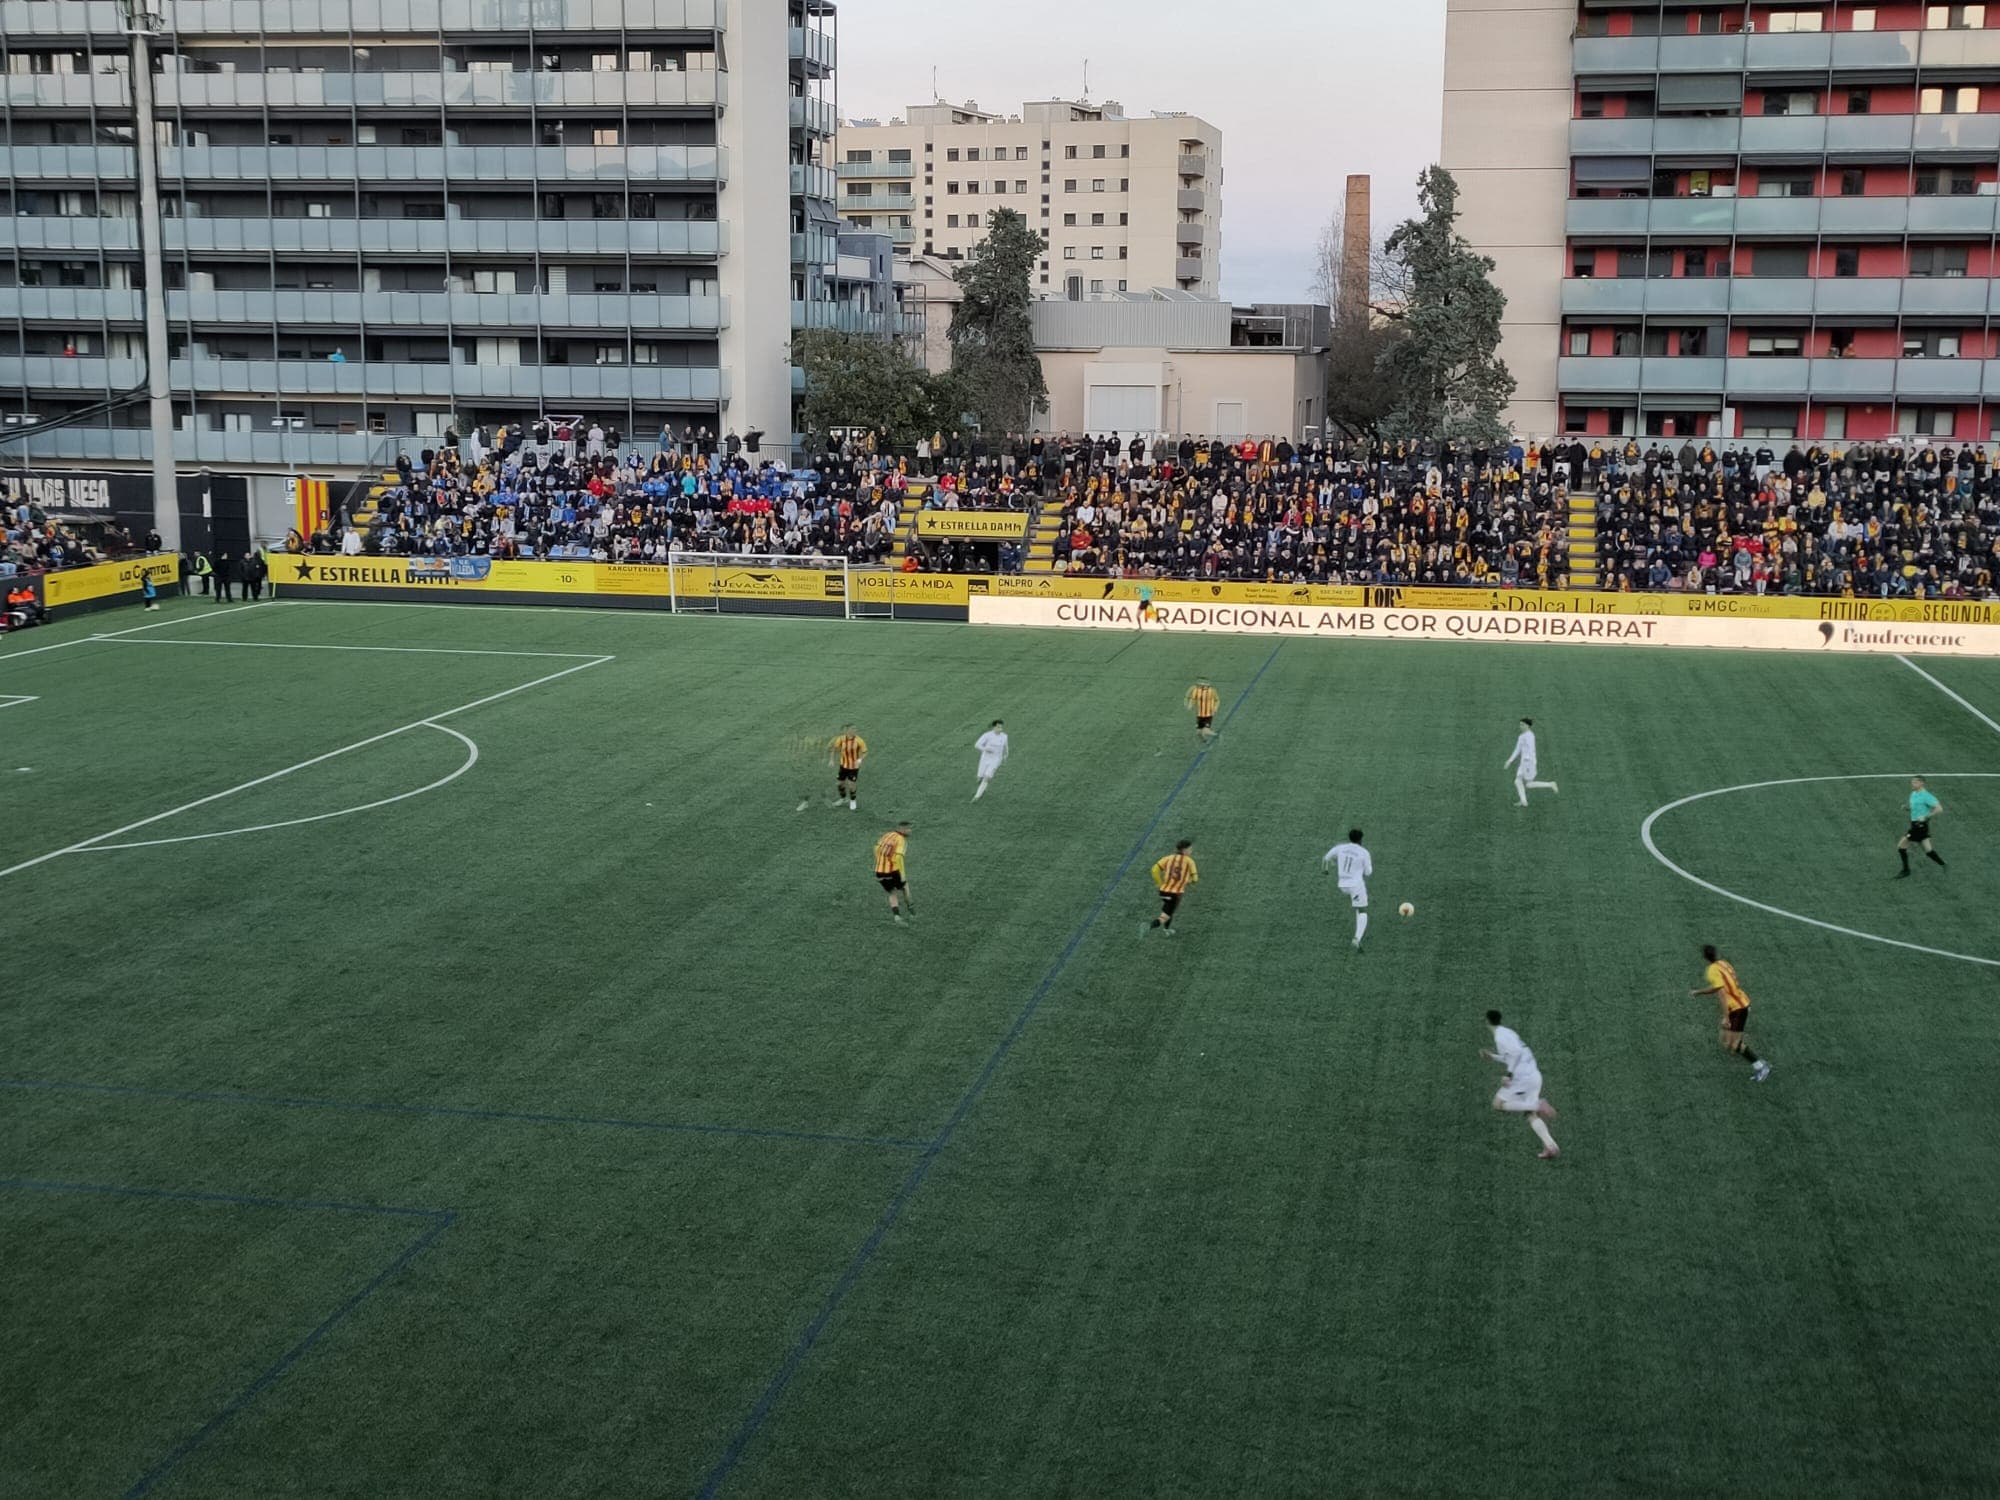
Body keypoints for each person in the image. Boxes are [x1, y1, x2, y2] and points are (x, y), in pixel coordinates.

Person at [1482, 1011, 1561, 1159]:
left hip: (1522, 1079)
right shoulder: (1508, 1032)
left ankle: (1538, 1105)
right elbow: (1512, 1055)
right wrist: (1492, 1057)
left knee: (1497, 1104)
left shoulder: (1499, 1037)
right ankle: (1551, 1146)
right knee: (1530, 1114)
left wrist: (1508, 1074)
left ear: (1487, 1021)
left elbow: (1516, 1053)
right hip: (1533, 1075)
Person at [1690, 945, 1772, 1082]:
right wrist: (1699, 992)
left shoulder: (1711, 971)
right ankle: (1741, 1048)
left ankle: (1761, 1067)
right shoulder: (1724, 963)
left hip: (1738, 1009)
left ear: (1704, 957)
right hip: (1741, 1002)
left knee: (1734, 1044)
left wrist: (1726, 1017)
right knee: (1727, 1041)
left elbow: (1721, 994)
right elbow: (1718, 987)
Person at [1321, 828, 1373, 950]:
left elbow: (1326, 858)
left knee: (1357, 906)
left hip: (1343, 885)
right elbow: (1368, 872)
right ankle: (1357, 939)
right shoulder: (1364, 852)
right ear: (1361, 839)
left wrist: (1326, 869)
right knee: (1362, 911)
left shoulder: (1340, 848)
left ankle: (1357, 936)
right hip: (1355, 885)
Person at [1144, 838, 1198, 936]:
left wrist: (1160, 884)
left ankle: (1166, 930)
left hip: (1163, 892)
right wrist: (1187, 881)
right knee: (1164, 916)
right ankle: (1149, 926)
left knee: (1169, 910)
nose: (1191, 851)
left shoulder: (1168, 858)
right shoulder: (1190, 861)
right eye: (1190, 849)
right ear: (1184, 850)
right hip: (1175, 894)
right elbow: (1195, 879)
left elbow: (1154, 870)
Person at [1895, 776, 1946, 878]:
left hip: (1919, 826)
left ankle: (1906, 870)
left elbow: (1939, 809)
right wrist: (1907, 808)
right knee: (1928, 850)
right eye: (1912, 782)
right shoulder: (1913, 794)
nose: (1912, 784)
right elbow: (1915, 808)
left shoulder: (1927, 796)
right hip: (1915, 824)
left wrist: (1926, 816)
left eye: (1915, 782)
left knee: (1901, 846)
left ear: (1922, 783)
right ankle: (1944, 865)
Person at [1504, 717, 1559, 807]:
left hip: (1529, 763)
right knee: (1517, 781)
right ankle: (1523, 801)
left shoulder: (1530, 736)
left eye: (1522, 725)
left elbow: (1531, 749)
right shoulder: (1521, 736)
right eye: (1520, 724)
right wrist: (1509, 761)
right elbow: (1517, 749)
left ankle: (1551, 784)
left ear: (1528, 726)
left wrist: (1528, 760)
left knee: (1528, 784)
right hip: (1523, 763)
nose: (1520, 726)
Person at [874, 821, 913, 924]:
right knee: (905, 887)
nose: (910, 831)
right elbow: (898, 857)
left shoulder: (887, 835)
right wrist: (903, 874)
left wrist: (880, 861)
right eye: (908, 829)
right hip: (893, 871)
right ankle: (911, 910)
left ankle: (897, 916)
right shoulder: (901, 840)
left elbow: (876, 848)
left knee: (891, 892)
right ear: (903, 829)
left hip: (879, 872)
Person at [827, 724, 867, 812]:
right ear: (848, 730)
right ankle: (843, 798)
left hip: (854, 767)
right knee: (839, 784)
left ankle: (853, 800)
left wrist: (860, 759)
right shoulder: (841, 739)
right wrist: (831, 760)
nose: (855, 730)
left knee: (851, 784)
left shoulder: (859, 740)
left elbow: (865, 752)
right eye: (853, 729)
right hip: (843, 766)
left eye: (855, 729)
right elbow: (834, 749)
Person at [972, 719, 1008, 800]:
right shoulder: (987, 735)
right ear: (994, 727)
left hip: (996, 760)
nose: (1000, 729)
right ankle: (982, 788)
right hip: (985, 759)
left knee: (987, 777)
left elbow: (1005, 747)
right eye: (998, 727)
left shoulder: (1004, 736)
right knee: (979, 778)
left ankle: (977, 796)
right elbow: (977, 745)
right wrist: (985, 749)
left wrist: (1005, 756)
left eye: (1001, 727)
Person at [1185, 678, 1219, 742]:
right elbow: (1193, 699)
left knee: (1206, 730)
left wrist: (1215, 708)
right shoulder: (1196, 690)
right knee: (1198, 732)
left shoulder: (1212, 691)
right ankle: (1205, 740)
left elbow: (1217, 700)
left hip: (1208, 714)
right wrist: (1190, 705)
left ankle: (1214, 734)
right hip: (1200, 714)